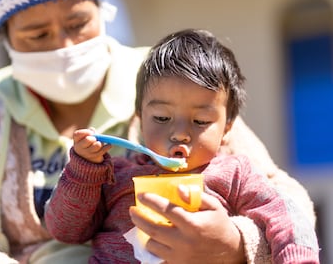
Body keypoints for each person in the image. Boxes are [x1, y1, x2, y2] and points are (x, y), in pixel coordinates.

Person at [0, 0, 315, 263]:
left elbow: (284, 200)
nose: (65, 47)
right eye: (37, 35)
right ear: (5, 39)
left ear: (103, 12)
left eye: (78, 24)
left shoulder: (171, 82)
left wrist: (233, 244)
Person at [44, 29, 319, 263]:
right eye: (162, 118)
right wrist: (83, 170)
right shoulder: (113, 175)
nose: (179, 133)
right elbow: (66, 231)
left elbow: (288, 219)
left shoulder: (236, 175)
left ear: (227, 129)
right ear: (139, 120)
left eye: (200, 121)